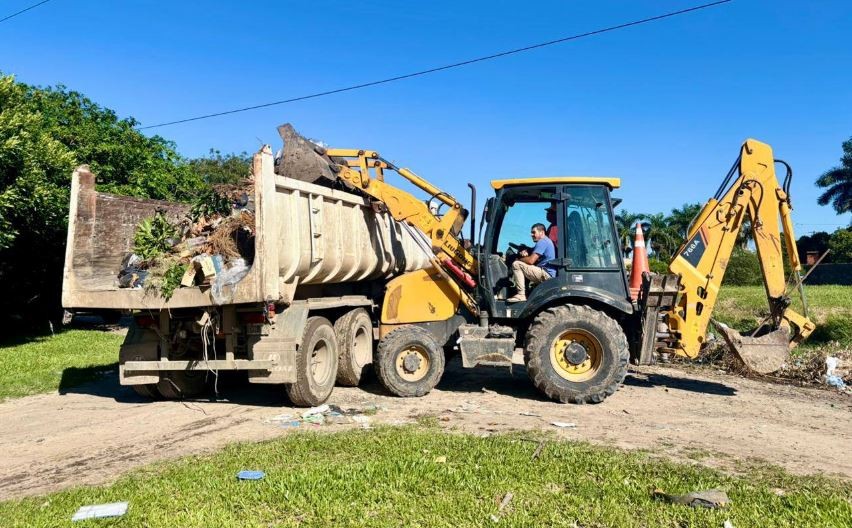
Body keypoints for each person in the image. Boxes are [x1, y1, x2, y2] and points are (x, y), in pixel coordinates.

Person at [508, 223, 556, 303]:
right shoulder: (545, 241)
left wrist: (519, 258)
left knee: (516, 264)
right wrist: (525, 250)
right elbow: (532, 252)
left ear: (542, 232)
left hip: (546, 274)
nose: (531, 235)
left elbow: (531, 261)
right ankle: (525, 292)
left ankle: (521, 294)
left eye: (534, 232)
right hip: (545, 272)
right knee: (523, 265)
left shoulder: (543, 241)